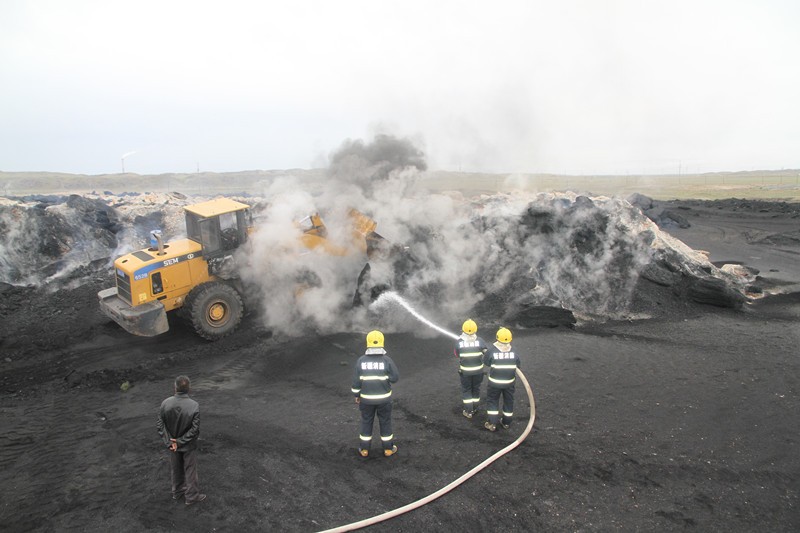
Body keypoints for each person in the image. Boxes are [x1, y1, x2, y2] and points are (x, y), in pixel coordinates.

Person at [157, 375, 206, 505]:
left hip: (173, 445)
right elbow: (194, 430)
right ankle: (192, 496)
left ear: (175, 387)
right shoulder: (194, 405)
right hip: (188, 445)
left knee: (176, 467)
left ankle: (178, 492)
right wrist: (179, 441)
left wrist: (170, 442)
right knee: (190, 469)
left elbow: (160, 426)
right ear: (189, 388)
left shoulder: (165, 403)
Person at [352, 330, 400, 458]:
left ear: (367, 343)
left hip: (366, 400)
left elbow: (356, 381)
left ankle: (364, 449)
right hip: (384, 400)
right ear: (382, 343)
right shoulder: (387, 360)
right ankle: (388, 449)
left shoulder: (361, 361)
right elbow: (395, 378)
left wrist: (357, 395)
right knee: (385, 422)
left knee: (366, 422)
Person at [484, 327, 521, 432]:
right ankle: (506, 423)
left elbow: (486, 362)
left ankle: (492, 423)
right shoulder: (514, 351)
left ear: (497, 338)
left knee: (492, 401)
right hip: (509, 383)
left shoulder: (491, 351)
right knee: (509, 401)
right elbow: (518, 364)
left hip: (494, 383)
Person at [454, 318, 488, 419]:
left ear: (463, 330)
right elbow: (485, 352)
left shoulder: (459, 342)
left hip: (466, 372)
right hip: (478, 371)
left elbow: (456, 354)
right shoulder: (480, 341)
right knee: (476, 389)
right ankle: (475, 408)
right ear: (475, 330)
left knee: (467, 390)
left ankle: (468, 411)